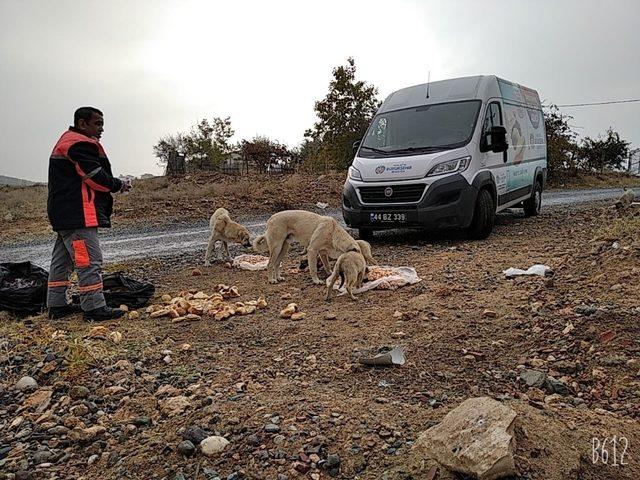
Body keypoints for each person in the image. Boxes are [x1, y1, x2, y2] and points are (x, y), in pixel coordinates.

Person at [46, 107, 131, 321]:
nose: (101, 129)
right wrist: (119, 184)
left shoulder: (67, 140)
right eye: (97, 123)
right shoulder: (79, 143)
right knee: (89, 260)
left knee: (62, 261)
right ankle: (94, 308)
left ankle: (56, 305)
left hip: (64, 214)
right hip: (79, 214)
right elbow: (94, 177)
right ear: (82, 123)